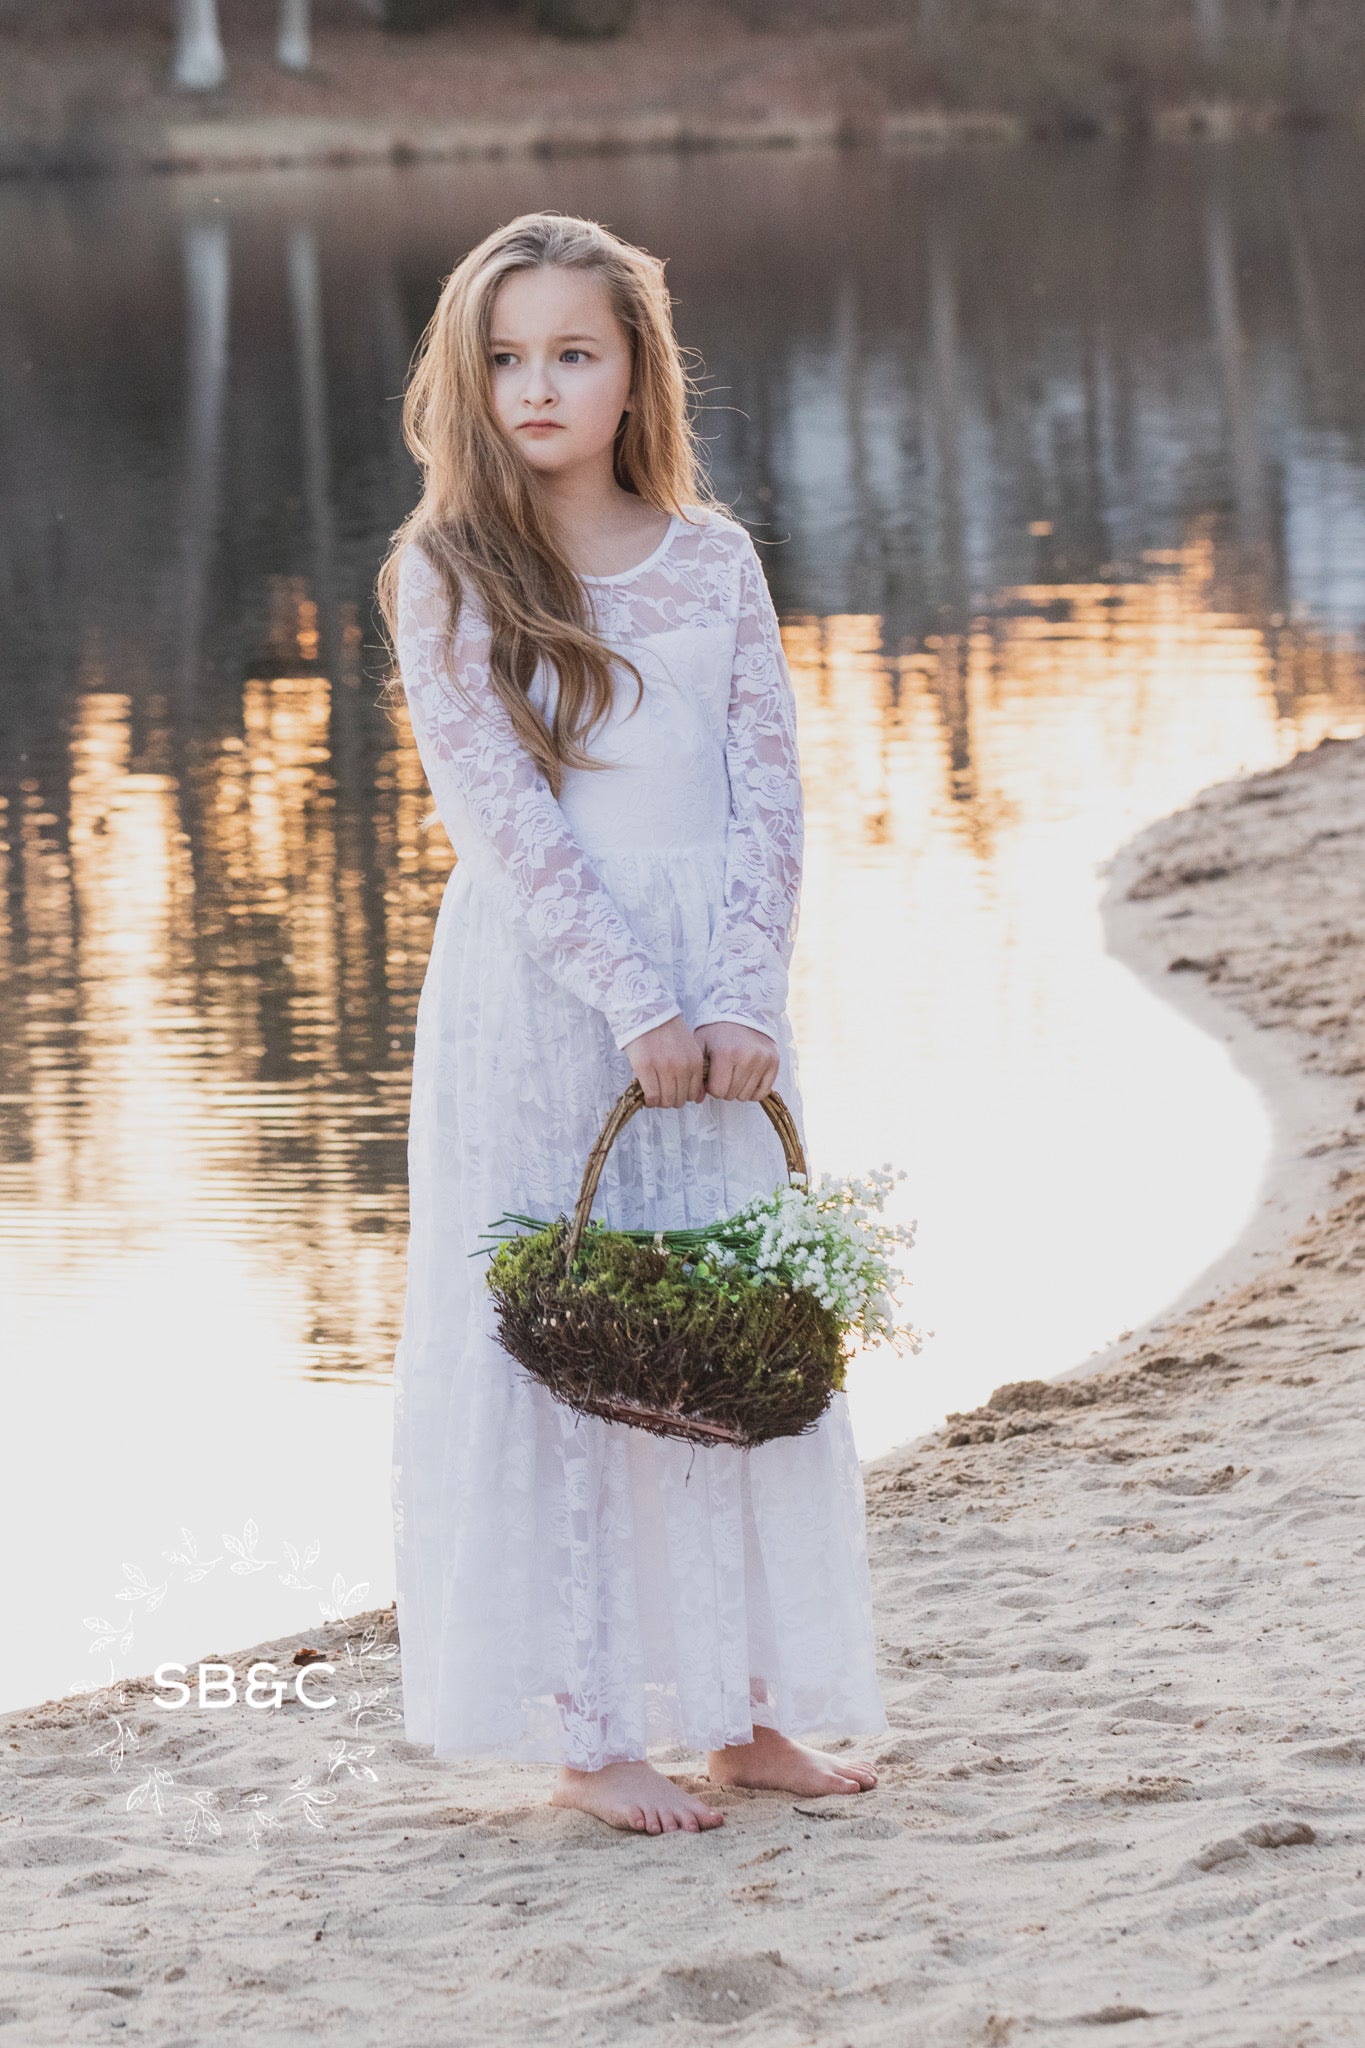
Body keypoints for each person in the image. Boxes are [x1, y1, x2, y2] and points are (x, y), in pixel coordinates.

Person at [376, 211, 886, 1837]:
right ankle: (587, 1729)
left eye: (571, 353)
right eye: (507, 357)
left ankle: (744, 1711)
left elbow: (769, 798)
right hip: (548, 987)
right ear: (469, 379)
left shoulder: (711, 557)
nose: (538, 386)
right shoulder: (445, 572)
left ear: (630, 370)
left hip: (720, 994)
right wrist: (636, 1000)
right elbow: (503, 821)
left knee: (725, 1333)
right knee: (569, 1340)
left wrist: (737, 992)